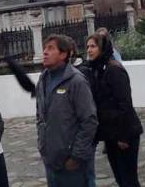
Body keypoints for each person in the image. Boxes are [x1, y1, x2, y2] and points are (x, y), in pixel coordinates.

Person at [36, 34, 98, 187]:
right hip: (51, 160)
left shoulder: (76, 81)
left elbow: (89, 121)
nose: (45, 52)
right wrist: (42, 146)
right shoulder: (42, 80)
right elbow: (40, 116)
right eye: (45, 48)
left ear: (63, 54)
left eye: (50, 48)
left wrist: (76, 156)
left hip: (72, 164)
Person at [86, 33, 143, 187]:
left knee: (128, 180)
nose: (89, 50)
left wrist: (123, 136)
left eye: (93, 46)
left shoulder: (114, 70)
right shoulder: (98, 69)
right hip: (110, 134)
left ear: (103, 48)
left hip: (124, 134)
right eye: (88, 47)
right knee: (120, 179)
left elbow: (125, 105)